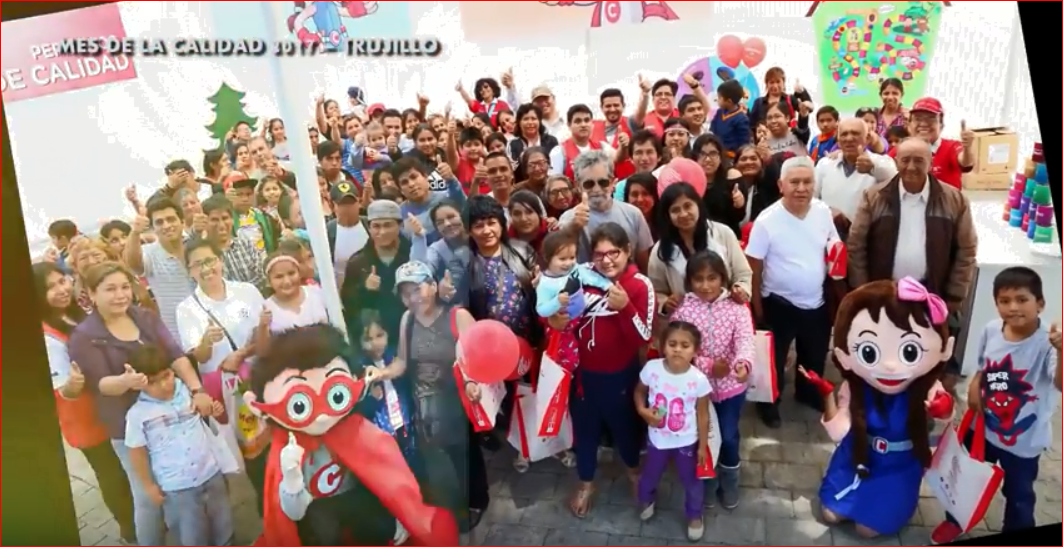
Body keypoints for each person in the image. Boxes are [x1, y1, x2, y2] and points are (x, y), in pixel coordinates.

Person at [245, 325, 458, 545]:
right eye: (299, 404)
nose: (321, 416)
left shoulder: (356, 429)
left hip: (357, 500)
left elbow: (389, 477)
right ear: (257, 406)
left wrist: (403, 513)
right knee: (321, 528)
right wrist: (291, 480)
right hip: (318, 509)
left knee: (377, 524)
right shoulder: (286, 448)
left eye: (335, 394)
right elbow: (292, 514)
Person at [68, 261, 215, 546]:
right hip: (129, 429)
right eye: (110, 289)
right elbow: (99, 384)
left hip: (174, 419)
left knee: (181, 483)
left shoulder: (145, 317)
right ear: (91, 294)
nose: (120, 295)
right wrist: (125, 383)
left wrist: (197, 389)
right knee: (147, 496)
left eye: (125, 287)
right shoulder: (85, 336)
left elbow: (176, 355)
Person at [804, 278, 956, 538]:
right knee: (830, 514)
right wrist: (828, 395)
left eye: (909, 351)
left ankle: (897, 502)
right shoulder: (856, 387)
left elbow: (945, 413)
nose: (889, 366)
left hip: (899, 466)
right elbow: (840, 430)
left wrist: (942, 407)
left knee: (867, 530)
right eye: (870, 352)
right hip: (858, 457)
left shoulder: (925, 385)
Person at [930, 268, 1063, 544]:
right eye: (1004, 300)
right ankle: (955, 521)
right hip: (982, 429)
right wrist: (976, 384)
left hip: (1024, 444)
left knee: (1019, 497)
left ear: (1040, 304)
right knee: (963, 479)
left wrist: (1062, 351)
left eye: (1022, 299)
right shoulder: (992, 330)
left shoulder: (1047, 345)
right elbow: (983, 367)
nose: (1013, 307)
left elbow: (1060, 384)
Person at [847, 138, 978, 386]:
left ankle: (922, 404)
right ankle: (882, 400)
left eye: (919, 160)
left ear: (930, 163)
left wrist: (953, 296)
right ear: (896, 161)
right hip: (885, 291)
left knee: (924, 351)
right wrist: (864, 291)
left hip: (931, 292)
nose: (911, 166)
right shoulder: (874, 196)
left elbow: (967, 250)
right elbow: (857, 244)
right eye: (905, 160)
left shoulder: (954, 200)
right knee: (886, 348)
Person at [547, 223, 654, 518]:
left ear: (628, 251)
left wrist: (625, 308)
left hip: (621, 375)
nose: (606, 260)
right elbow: (558, 315)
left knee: (625, 429)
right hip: (583, 375)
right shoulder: (580, 277)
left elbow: (644, 336)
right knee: (585, 430)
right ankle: (586, 482)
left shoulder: (639, 284)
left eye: (614, 252)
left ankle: (634, 473)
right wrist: (554, 321)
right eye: (599, 254)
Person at [34, 262, 136, 543]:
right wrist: (73, 386)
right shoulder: (46, 335)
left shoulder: (75, 314)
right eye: (50, 288)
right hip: (86, 419)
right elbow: (61, 389)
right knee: (111, 473)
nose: (61, 289)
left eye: (62, 281)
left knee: (127, 469)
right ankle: (129, 528)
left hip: (110, 406)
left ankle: (140, 518)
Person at [393, 262, 490, 533]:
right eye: (406, 293)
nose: (412, 298)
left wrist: (473, 382)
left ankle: (476, 501)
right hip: (424, 405)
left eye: (417, 289)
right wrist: (379, 373)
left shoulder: (457, 316)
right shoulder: (407, 319)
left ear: (433, 286)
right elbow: (401, 361)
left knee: (464, 454)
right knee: (437, 459)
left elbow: (478, 356)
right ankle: (450, 505)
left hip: (457, 401)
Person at [746, 157, 839, 428]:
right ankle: (768, 403)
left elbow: (832, 244)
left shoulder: (822, 212)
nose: (801, 188)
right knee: (772, 360)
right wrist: (758, 306)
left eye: (807, 182)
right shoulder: (767, 220)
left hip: (816, 301)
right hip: (778, 302)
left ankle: (808, 393)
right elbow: (754, 265)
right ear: (780, 185)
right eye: (794, 182)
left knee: (814, 354)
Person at [123, 344, 233, 546]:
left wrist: (212, 410)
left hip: (211, 473)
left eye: (166, 376)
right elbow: (136, 452)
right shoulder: (138, 415)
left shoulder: (189, 392)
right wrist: (148, 486)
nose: (164, 385)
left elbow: (205, 414)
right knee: (192, 536)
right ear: (139, 384)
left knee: (224, 527)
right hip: (178, 488)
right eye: (153, 382)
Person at [670, 251, 754, 510]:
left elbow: (744, 340)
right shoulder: (684, 309)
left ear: (723, 278)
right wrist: (707, 365)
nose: (706, 286)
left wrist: (742, 364)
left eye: (712, 278)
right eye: (698, 279)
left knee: (728, 435)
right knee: (702, 436)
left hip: (730, 388)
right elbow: (678, 348)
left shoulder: (737, 308)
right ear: (689, 282)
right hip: (696, 390)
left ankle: (730, 480)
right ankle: (706, 480)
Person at [634, 321, 712, 542]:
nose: (678, 349)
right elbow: (639, 392)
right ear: (663, 346)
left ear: (695, 351)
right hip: (657, 439)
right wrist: (642, 411)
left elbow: (702, 415)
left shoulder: (698, 381)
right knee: (650, 475)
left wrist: (702, 445)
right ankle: (646, 498)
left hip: (686, 441)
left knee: (691, 481)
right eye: (672, 344)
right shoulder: (652, 369)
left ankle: (695, 515)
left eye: (685, 345)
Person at [650, 182, 752, 319]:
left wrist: (741, 289)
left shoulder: (723, 233)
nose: (683, 214)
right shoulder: (661, 250)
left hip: (725, 319)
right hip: (684, 325)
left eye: (688, 206)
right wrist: (665, 303)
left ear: (698, 205)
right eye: (675, 210)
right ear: (667, 216)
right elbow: (656, 291)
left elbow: (743, 273)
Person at [559, 150, 654, 271]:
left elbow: (643, 264)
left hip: (627, 286)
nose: (597, 189)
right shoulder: (568, 218)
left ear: (612, 182)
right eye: (589, 184)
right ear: (578, 186)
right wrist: (573, 227)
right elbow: (559, 260)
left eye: (603, 182)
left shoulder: (633, 214)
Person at [535, 231, 612, 373]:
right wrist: (557, 302)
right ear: (548, 258)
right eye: (562, 259)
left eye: (572, 257)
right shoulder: (545, 284)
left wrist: (609, 286)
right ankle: (564, 376)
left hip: (580, 320)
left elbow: (591, 278)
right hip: (563, 326)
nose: (568, 263)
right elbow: (541, 310)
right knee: (566, 358)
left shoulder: (576, 269)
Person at [125, 196, 195, 341]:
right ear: (153, 228)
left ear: (181, 221)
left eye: (171, 219)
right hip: (178, 334)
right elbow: (133, 264)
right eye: (159, 222)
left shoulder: (196, 246)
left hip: (211, 326)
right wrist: (135, 233)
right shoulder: (150, 253)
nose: (166, 225)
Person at [342, 200, 412, 344]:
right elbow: (348, 304)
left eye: (388, 225)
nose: (382, 232)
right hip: (376, 343)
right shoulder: (358, 262)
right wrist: (364, 289)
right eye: (376, 226)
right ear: (369, 228)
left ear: (400, 225)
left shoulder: (413, 254)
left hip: (412, 334)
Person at [814, 118, 898, 226]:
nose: (849, 138)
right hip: (829, 234)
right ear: (838, 141)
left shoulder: (881, 162)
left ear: (867, 138)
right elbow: (812, 199)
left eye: (855, 133)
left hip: (866, 237)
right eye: (844, 134)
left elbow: (894, 179)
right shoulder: (825, 164)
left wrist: (872, 167)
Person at [888, 97, 975, 190]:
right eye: (918, 118)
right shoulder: (900, 150)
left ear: (941, 124)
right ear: (909, 124)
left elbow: (965, 162)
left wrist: (967, 147)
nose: (923, 123)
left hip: (946, 203)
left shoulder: (951, 147)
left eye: (931, 118)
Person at [201, 194, 268, 291]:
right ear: (205, 222)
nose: (221, 225)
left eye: (225, 218)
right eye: (214, 220)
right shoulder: (204, 253)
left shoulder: (245, 244)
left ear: (232, 220)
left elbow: (261, 277)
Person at [410, 200, 468, 305]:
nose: (447, 224)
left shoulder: (480, 237)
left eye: (451, 217)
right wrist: (418, 237)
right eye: (440, 222)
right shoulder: (437, 249)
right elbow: (419, 272)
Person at [690, 134, 746, 236]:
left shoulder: (732, 177)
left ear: (720, 157)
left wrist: (739, 205)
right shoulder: (689, 181)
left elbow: (738, 218)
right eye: (702, 154)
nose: (707, 159)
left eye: (713, 154)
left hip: (727, 236)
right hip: (699, 236)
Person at [263, 253, 330, 333]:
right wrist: (263, 325)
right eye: (279, 277)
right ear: (269, 281)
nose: (287, 281)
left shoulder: (316, 293)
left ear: (299, 273)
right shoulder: (267, 308)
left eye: (291, 273)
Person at [550, 104, 618, 179]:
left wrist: (623, 147)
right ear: (569, 125)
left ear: (592, 124)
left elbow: (619, 158)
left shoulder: (602, 147)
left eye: (586, 120)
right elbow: (554, 182)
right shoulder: (559, 151)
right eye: (578, 121)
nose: (583, 124)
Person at [325, 181, 370, 287]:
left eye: (351, 203)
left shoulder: (370, 225)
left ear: (359, 202)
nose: (347, 208)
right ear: (333, 206)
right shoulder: (328, 231)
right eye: (342, 204)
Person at [748, 67, 814, 127]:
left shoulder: (790, 99)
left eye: (778, 82)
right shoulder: (758, 103)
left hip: (788, 138)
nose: (775, 86)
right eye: (771, 82)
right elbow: (752, 125)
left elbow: (808, 109)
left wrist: (802, 92)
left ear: (783, 83)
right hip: (765, 139)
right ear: (767, 84)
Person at [709, 79, 751, 156]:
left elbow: (744, 142)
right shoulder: (720, 112)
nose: (717, 100)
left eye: (719, 97)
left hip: (731, 156)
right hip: (717, 152)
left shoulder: (741, 119)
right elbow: (713, 126)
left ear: (729, 101)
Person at [508, 190, 552, 255]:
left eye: (529, 212)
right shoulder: (505, 243)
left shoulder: (554, 232)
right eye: (517, 214)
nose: (523, 219)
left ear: (539, 213)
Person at [621, 173, 659, 241]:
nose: (640, 199)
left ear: (655, 196)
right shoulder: (620, 225)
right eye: (634, 194)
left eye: (645, 194)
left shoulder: (667, 226)